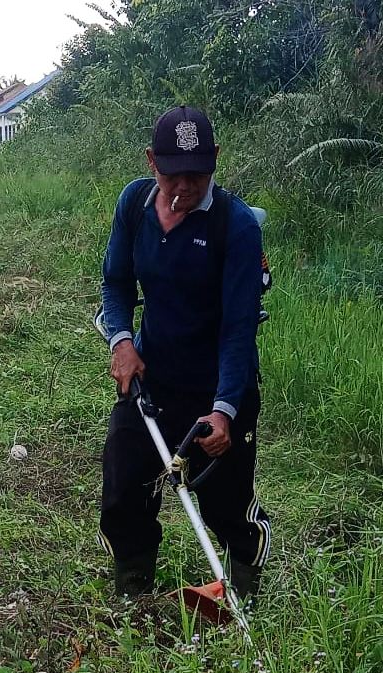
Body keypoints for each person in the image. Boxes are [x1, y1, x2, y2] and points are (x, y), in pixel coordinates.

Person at [99, 106, 270, 602]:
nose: (185, 185)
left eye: (198, 173)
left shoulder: (236, 226)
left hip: (218, 387)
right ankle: (135, 591)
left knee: (224, 501)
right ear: (151, 161)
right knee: (125, 484)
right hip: (152, 376)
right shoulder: (135, 204)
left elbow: (239, 329)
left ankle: (243, 588)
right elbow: (115, 283)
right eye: (172, 173)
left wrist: (224, 411)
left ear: (215, 158)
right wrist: (122, 341)